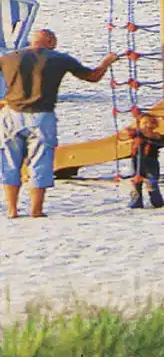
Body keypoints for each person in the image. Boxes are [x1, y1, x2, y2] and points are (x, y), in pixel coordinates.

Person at [1, 29, 117, 218]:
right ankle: (36, 210)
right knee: (40, 162)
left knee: (9, 161)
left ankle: (12, 210)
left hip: (11, 113)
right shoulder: (60, 58)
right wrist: (106, 62)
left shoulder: (8, 57)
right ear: (50, 41)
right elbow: (92, 77)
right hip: (42, 115)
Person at [120, 113, 164, 209]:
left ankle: (157, 202)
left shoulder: (155, 136)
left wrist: (146, 141)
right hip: (137, 160)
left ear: (155, 125)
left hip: (151, 162)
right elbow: (126, 133)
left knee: (152, 182)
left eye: (150, 123)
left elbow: (161, 143)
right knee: (136, 182)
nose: (147, 125)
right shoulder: (137, 134)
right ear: (139, 125)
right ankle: (136, 202)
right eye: (144, 123)